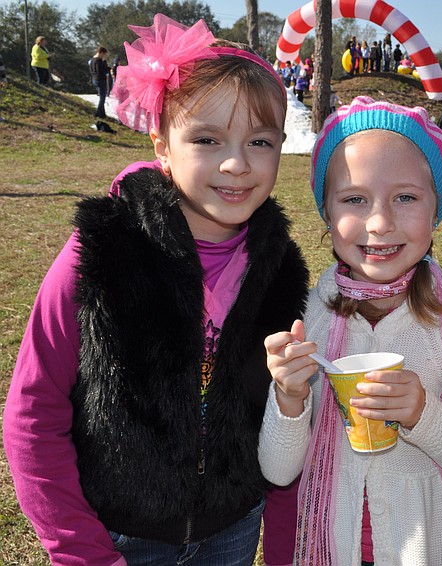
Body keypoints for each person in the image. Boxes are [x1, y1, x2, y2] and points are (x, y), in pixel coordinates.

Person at [3, 14, 309, 566]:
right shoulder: (98, 252)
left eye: (260, 142)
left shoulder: (280, 267)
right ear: (161, 143)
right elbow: (33, 414)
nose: (237, 164)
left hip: (233, 531)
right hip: (117, 537)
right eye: (207, 139)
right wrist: (83, 551)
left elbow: (286, 431)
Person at [259, 96, 442, 565]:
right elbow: (278, 472)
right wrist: (288, 396)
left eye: (405, 197)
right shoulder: (308, 315)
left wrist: (422, 415)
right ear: (326, 210)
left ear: (436, 208)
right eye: (354, 199)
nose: (380, 223)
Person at [89, 46, 110, 119]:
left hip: (94, 79)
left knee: (101, 97)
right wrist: (105, 63)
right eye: (104, 54)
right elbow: (101, 70)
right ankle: (98, 113)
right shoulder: (99, 60)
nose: (104, 56)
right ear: (101, 53)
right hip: (100, 80)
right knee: (102, 98)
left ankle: (102, 113)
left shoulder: (92, 60)